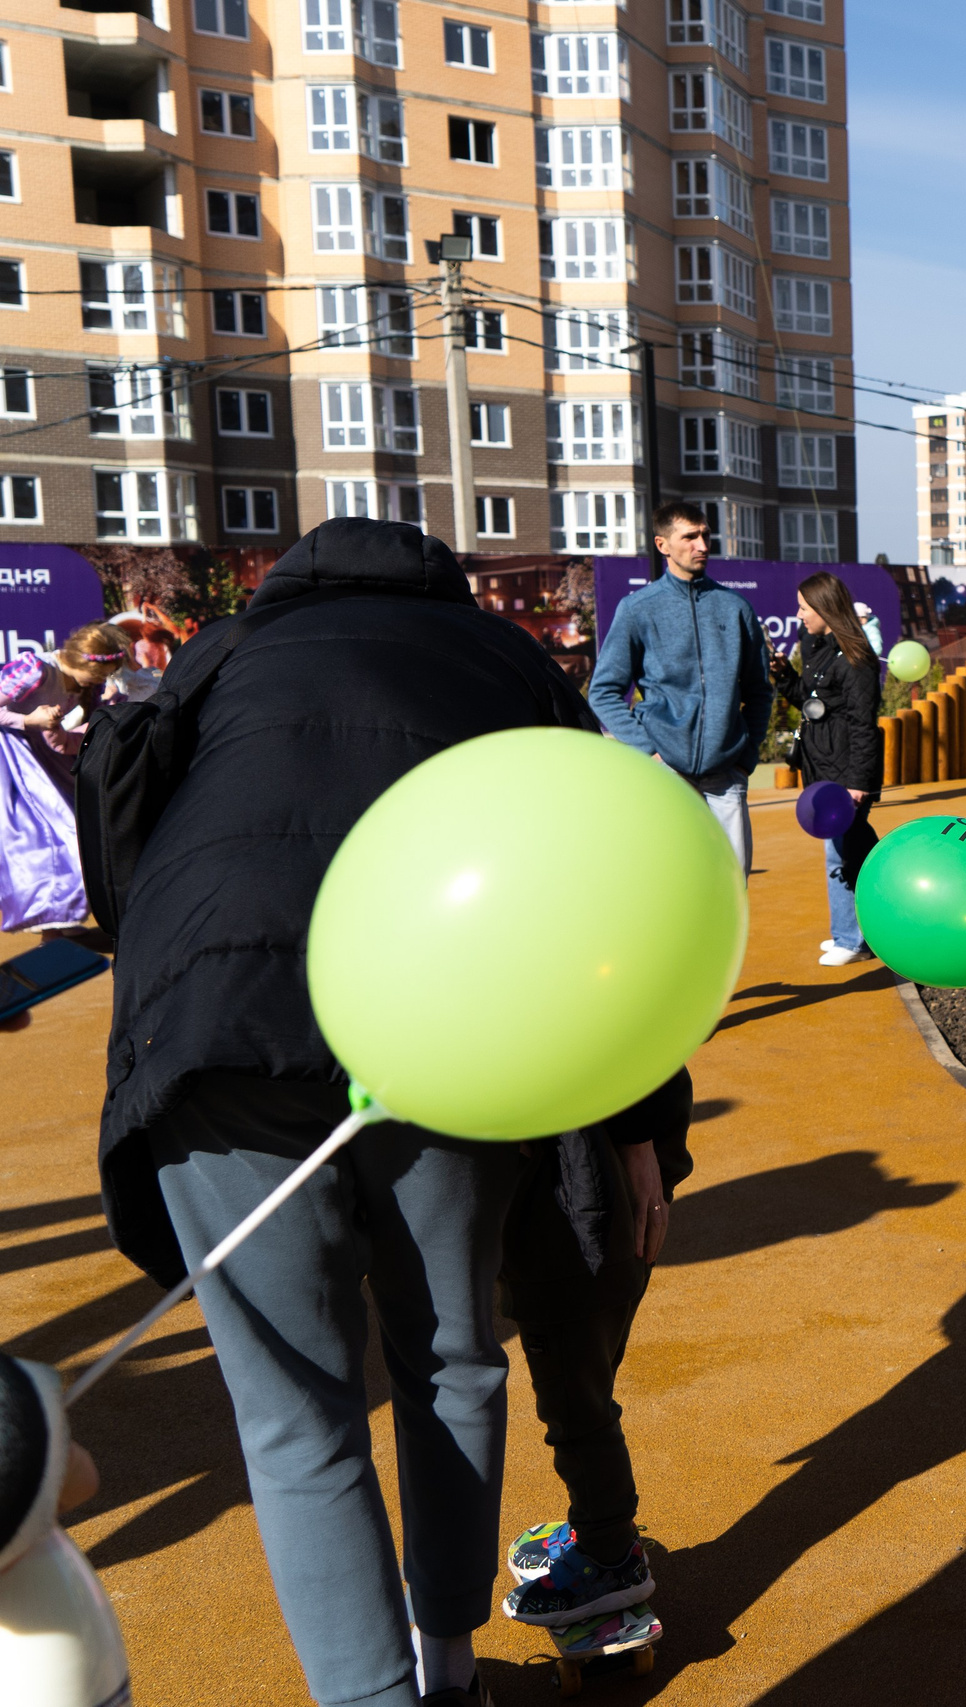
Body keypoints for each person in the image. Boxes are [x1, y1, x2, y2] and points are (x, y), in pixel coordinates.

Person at [97, 517, 597, 1707]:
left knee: (293, 1412)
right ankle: (451, 1662)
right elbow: (602, 857)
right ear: (444, 584)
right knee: (452, 1358)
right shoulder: (504, 659)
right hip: (447, 1023)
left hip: (219, 1020)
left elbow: (122, 832)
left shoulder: (222, 652)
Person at [498, 1069, 692, 1629]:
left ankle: (610, 1554)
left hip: (571, 1197)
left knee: (573, 1399)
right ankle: (596, 1523)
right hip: (602, 1174)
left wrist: (634, 1140)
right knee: (588, 1373)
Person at [588, 500, 773, 871]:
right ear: (663, 545)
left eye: (705, 535)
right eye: (690, 537)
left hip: (727, 774)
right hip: (667, 774)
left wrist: (745, 756)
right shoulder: (639, 609)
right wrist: (650, 753)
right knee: (673, 879)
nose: (702, 545)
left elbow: (759, 690)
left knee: (734, 886)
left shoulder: (735, 607)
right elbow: (603, 691)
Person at [774, 573, 882, 966]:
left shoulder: (856, 660)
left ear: (824, 610)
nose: (799, 614)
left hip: (845, 773)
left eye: (804, 607)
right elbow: (809, 700)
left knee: (841, 854)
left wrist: (857, 784)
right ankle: (853, 930)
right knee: (847, 850)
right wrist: (784, 675)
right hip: (822, 766)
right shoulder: (817, 647)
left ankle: (852, 938)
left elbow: (863, 724)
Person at [1, 622, 130, 932]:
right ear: (80, 660)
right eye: (99, 673)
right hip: (11, 757)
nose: (102, 680)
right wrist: (28, 719)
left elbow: (75, 733)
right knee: (44, 838)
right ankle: (50, 919)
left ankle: (56, 920)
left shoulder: (88, 685)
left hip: (46, 758)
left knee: (74, 833)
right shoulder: (35, 670)